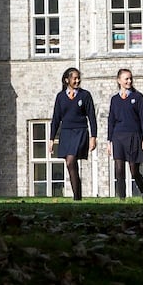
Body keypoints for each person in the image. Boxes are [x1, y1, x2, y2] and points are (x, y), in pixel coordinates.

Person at [49, 67, 97, 200]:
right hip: (66, 133)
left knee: (71, 160)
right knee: (70, 163)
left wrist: (93, 137)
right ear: (66, 80)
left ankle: (76, 196)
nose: (77, 81)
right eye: (74, 78)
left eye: (78, 78)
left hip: (80, 131)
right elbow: (56, 118)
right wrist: (51, 139)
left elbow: (92, 117)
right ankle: (78, 195)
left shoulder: (85, 95)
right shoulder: (60, 97)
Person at [107, 68, 143, 201]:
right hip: (118, 137)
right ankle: (122, 198)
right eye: (126, 79)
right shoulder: (114, 99)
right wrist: (109, 142)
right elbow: (111, 121)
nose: (129, 81)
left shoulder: (138, 97)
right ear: (119, 80)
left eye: (130, 78)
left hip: (134, 136)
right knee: (119, 169)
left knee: (134, 170)